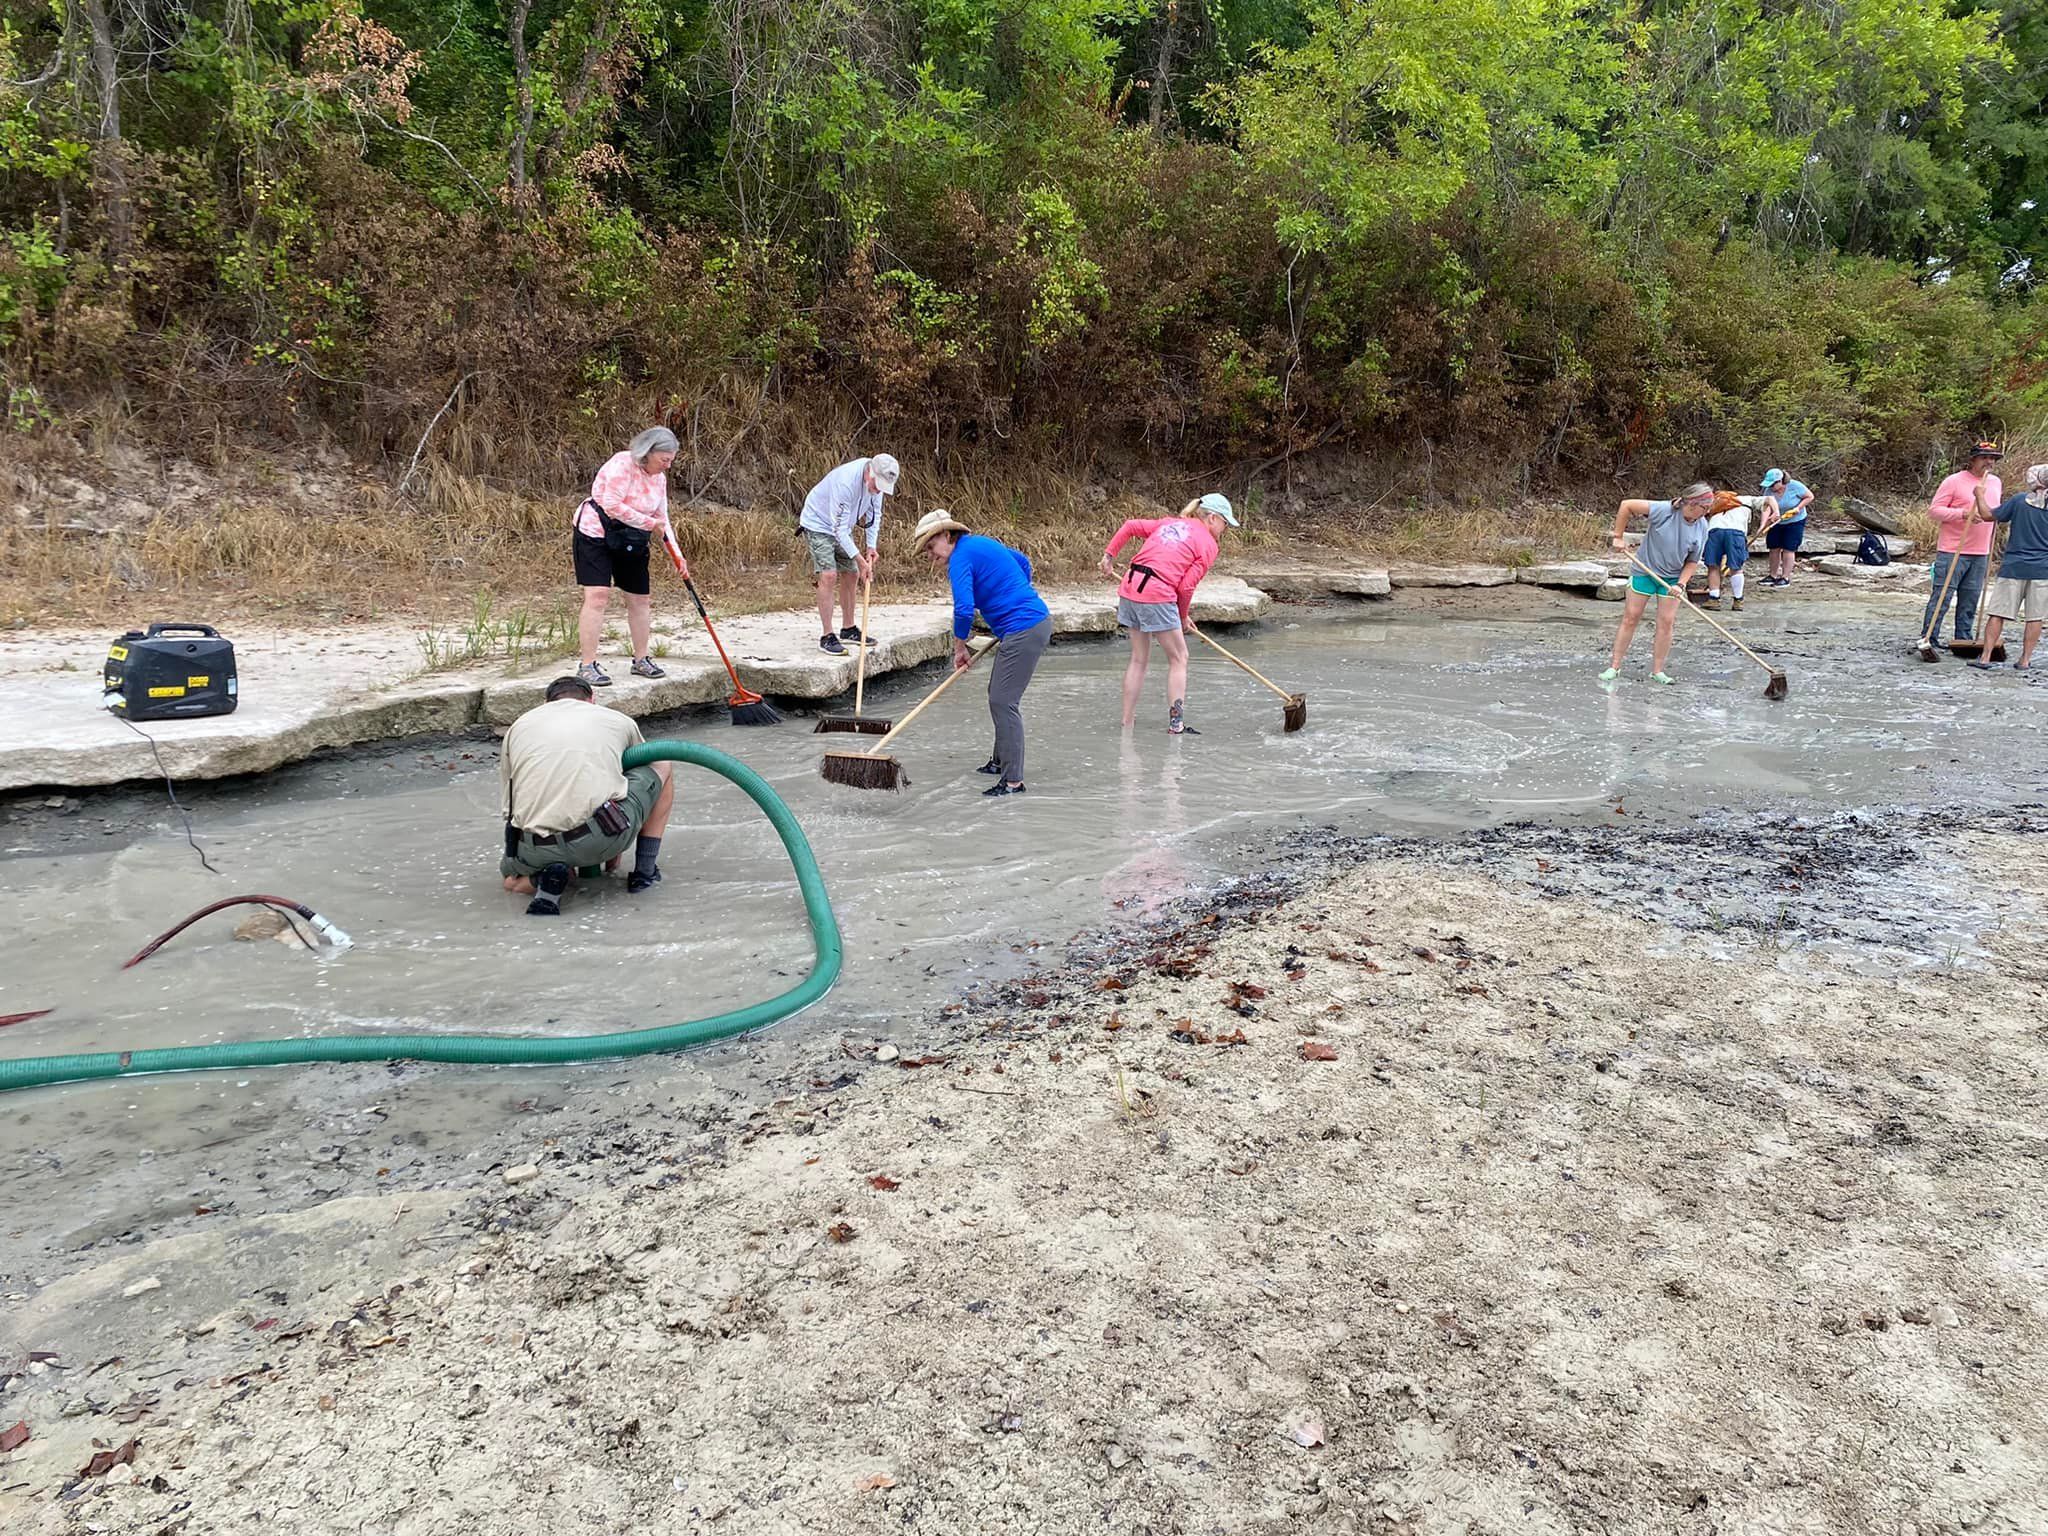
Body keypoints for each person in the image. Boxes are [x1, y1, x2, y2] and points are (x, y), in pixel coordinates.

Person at [499, 675, 675, 915]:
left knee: (510, 882)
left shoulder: (518, 726)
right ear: (592, 699)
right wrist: (613, 852)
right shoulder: (617, 720)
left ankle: (540, 880)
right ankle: (644, 873)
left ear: (545, 703)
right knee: (661, 763)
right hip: (599, 838)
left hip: (534, 848)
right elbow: (630, 771)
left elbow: (509, 806)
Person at [911, 509, 1053, 797]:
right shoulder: (981, 544)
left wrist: (959, 648)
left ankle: (1013, 781)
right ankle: (999, 762)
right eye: (926, 550)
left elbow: (963, 608)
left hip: (1023, 627)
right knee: (998, 695)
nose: (930, 555)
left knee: (1004, 701)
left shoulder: (960, 559)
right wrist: (1014, 593)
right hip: (1027, 624)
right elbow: (1022, 562)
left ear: (947, 536)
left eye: (930, 546)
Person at [1100, 492, 1240, 733]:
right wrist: (1182, 616)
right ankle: (1176, 725)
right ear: (1213, 519)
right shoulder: (1208, 544)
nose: (1225, 529)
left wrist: (1108, 556)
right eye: (1225, 523)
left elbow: (1130, 526)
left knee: (1138, 659)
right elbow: (1186, 586)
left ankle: (1127, 722)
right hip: (1157, 593)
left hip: (1131, 588)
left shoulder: (1170, 523)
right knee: (1179, 658)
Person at [574, 427, 684, 688]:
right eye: (663, 460)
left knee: (640, 598)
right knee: (598, 596)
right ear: (647, 453)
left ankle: (641, 659)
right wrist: (648, 523)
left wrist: (678, 556)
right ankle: (587, 665)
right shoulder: (621, 464)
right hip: (595, 532)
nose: (667, 467)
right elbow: (611, 505)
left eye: (671, 461)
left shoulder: (659, 479)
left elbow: (662, 520)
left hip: (632, 539)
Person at [1601, 482, 1712, 685]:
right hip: (1644, 569)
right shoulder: (1665, 510)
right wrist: (1618, 537)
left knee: (1666, 622)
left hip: (1672, 578)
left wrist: (1681, 584)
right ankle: (1614, 667)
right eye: (1705, 508)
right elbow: (1627, 505)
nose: (1707, 512)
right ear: (1692, 503)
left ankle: (1658, 671)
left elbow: (1693, 561)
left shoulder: (1702, 525)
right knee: (1631, 617)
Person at [799, 453, 899, 655]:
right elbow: (839, 530)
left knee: (852, 573)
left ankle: (848, 629)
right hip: (819, 523)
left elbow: (874, 515)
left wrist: (871, 547)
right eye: (876, 484)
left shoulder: (878, 484)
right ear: (870, 472)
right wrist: (861, 561)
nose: (877, 489)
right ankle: (827, 636)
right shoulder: (846, 482)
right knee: (828, 574)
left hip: (842, 526)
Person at [1969, 462, 2048, 672]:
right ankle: (2024, 660)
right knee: (2035, 617)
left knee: (1998, 613)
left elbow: (1987, 515)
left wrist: (1979, 495)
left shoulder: (2020, 501)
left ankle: (1985, 657)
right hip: (2043, 569)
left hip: (2014, 566)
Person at [1923, 441, 2003, 647]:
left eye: (1993, 458)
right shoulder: (1954, 481)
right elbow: (1934, 511)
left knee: (1970, 600)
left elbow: (1994, 510)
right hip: (1952, 550)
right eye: (1985, 457)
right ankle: (1929, 637)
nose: (1989, 462)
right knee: (1942, 597)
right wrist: (1963, 514)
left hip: (1981, 551)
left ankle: (1963, 640)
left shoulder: (1995, 482)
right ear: (1973, 459)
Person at [1698, 490, 1769, 610]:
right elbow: (1770, 500)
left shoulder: (1715, 501)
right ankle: (1738, 600)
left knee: (1713, 566)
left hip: (1715, 531)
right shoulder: (1747, 499)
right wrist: (1773, 515)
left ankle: (1714, 599)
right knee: (1736, 568)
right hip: (1736, 533)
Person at [1756, 467, 1814, 588]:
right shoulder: (1769, 491)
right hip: (1777, 522)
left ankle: (1785, 577)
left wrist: (1798, 508)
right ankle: (1772, 575)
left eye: (1773, 484)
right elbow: (1766, 507)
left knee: (1788, 548)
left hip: (1795, 521)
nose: (1771, 487)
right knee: (1774, 547)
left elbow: (1809, 496)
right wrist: (1763, 525)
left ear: (1780, 481)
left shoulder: (1795, 486)